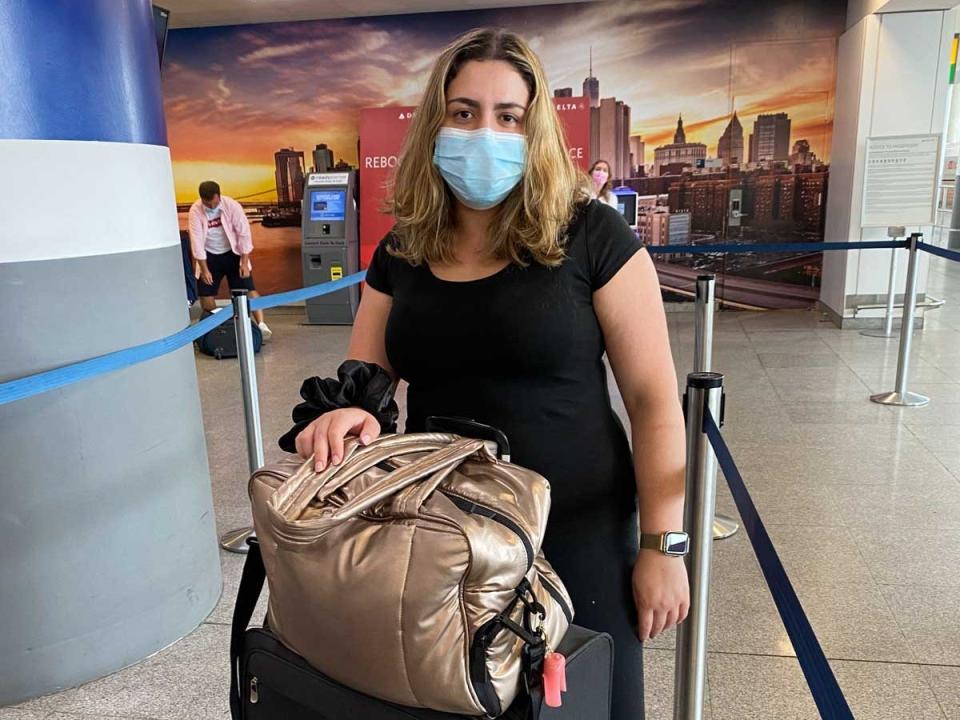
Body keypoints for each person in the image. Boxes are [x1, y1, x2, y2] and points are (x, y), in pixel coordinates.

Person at [283, 28, 688, 720]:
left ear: (535, 132)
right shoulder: (403, 249)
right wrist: (351, 415)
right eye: (464, 112)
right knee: (457, 697)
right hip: (447, 534)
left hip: (576, 531)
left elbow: (652, 400)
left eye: (508, 116)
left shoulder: (593, 236)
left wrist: (663, 545)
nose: (484, 132)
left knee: (580, 703)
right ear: (436, 123)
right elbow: (369, 380)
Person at [188, 181, 272, 341]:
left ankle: (261, 325)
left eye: (214, 201)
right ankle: (216, 328)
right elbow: (196, 242)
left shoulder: (232, 206)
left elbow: (244, 234)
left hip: (233, 253)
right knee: (206, 294)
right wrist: (204, 269)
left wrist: (244, 262)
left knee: (248, 289)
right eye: (207, 203)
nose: (211, 206)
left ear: (218, 196)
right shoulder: (195, 210)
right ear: (202, 199)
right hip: (209, 255)